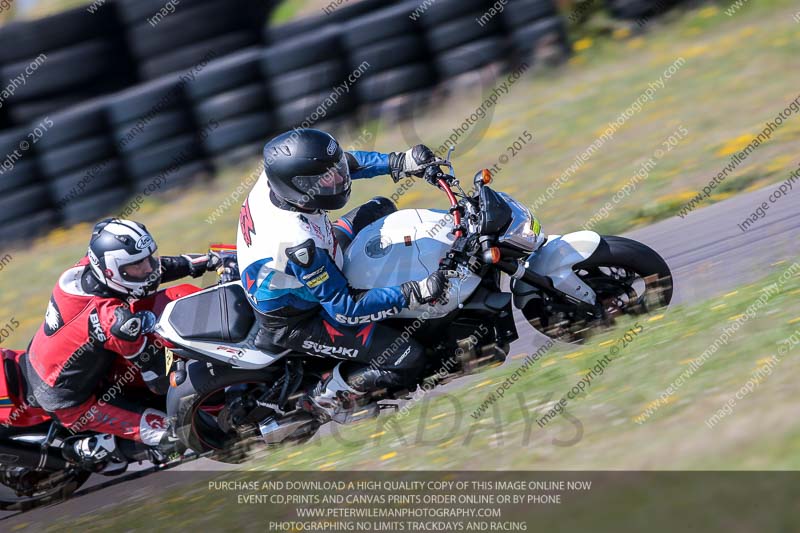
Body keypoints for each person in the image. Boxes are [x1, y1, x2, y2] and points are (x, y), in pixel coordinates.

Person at [237, 128, 455, 424]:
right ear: (299, 187)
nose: (338, 179)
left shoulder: (277, 177)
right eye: (326, 179)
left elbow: (346, 163)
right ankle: (325, 399)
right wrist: (414, 292)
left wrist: (399, 162)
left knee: (380, 207)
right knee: (406, 356)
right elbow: (344, 308)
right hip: (297, 317)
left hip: (318, 254)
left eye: (334, 171)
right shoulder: (295, 241)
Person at [22, 218, 220, 472]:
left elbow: (152, 272)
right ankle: (94, 446)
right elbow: (159, 381)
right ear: (112, 271)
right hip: (71, 401)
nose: (148, 269)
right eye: (137, 266)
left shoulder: (86, 269)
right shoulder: (113, 321)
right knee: (176, 434)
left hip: (52, 358)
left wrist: (206, 261)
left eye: (148, 259)